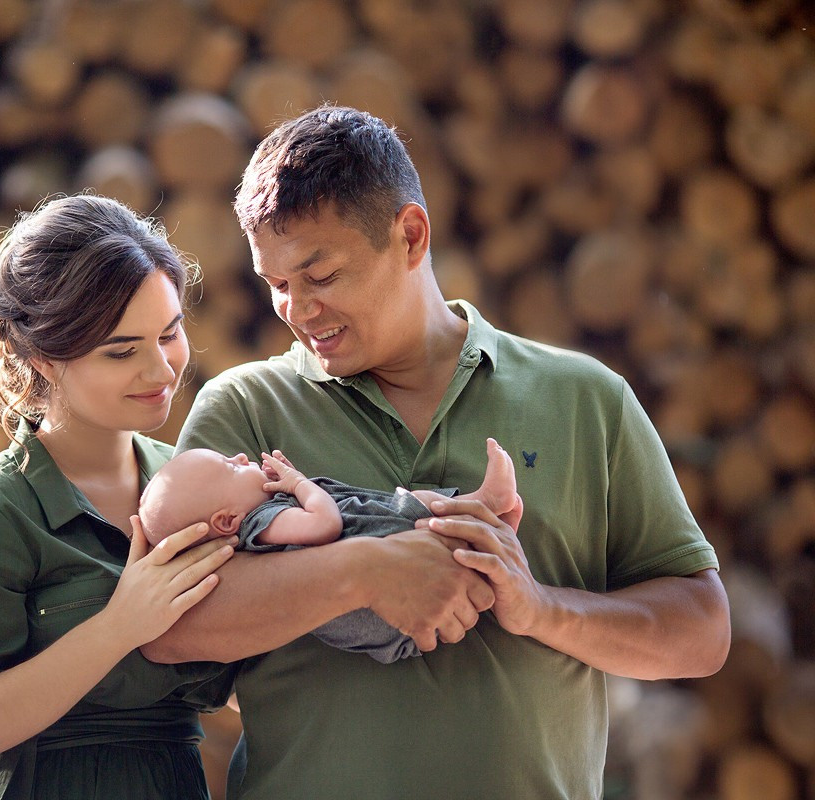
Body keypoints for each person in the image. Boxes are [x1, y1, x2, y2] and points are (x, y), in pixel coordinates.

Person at [141, 107, 731, 799]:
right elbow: (169, 627)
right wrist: (364, 570)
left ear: (411, 235)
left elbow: (702, 631)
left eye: (321, 274)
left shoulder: (584, 397)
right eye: (277, 285)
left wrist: (541, 609)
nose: (298, 310)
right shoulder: (245, 411)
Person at [0, 194, 242, 800]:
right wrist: (119, 627)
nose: (163, 370)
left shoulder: (198, 479)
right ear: (42, 358)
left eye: (170, 334)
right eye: (122, 351)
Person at [138, 440, 518, 662]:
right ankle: (483, 517)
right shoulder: (263, 524)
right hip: (380, 607)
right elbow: (325, 525)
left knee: (413, 502)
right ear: (226, 522)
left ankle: (480, 504)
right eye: (230, 468)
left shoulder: (262, 519)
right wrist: (300, 484)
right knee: (417, 512)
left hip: (391, 555)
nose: (240, 458)